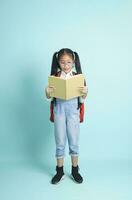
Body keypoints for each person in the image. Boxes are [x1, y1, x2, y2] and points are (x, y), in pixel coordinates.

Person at [45, 48, 88, 184]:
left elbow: (83, 98)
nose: (66, 65)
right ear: (58, 62)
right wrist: (47, 91)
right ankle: (59, 170)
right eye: (63, 62)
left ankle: (75, 170)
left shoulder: (78, 77)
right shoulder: (55, 77)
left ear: (73, 62)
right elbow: (49, 96)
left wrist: (85, 92)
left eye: (69, 62)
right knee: (60, 142)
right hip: (59, 111)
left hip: (73, 112)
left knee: (74, 142)